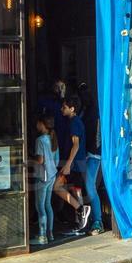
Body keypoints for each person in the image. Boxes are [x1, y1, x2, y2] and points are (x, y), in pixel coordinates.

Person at [54, 95, 90, 231]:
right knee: (77, 191)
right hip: (78, 162)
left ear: (72, 109)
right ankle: (80, 223)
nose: (61, 109)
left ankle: (80, 210)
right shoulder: (76, 121)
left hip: (74, 163)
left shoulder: (74, 123)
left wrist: (68, 164)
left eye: (64, 107)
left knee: (57, 187)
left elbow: (76, 145)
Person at [32, 115, 59, 244]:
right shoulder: (53, 138)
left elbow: (40, 160)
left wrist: (28, 160)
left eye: (38, 123)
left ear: (42, 124)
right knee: (48, 205)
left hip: (42, 176)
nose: (36, 125)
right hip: (52, 175)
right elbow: (57, 160)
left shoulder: (40, 140)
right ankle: (50, 233)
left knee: (40, 206)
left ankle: (42, 236)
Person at [84, 101, 104, 235]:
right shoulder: (95, 111)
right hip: (93, 154)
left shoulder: (96, 113)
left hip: (95, 155)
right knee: (90, 187)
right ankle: (95, 219)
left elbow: (97, 138)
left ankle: (98, 220)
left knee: (90, 187)